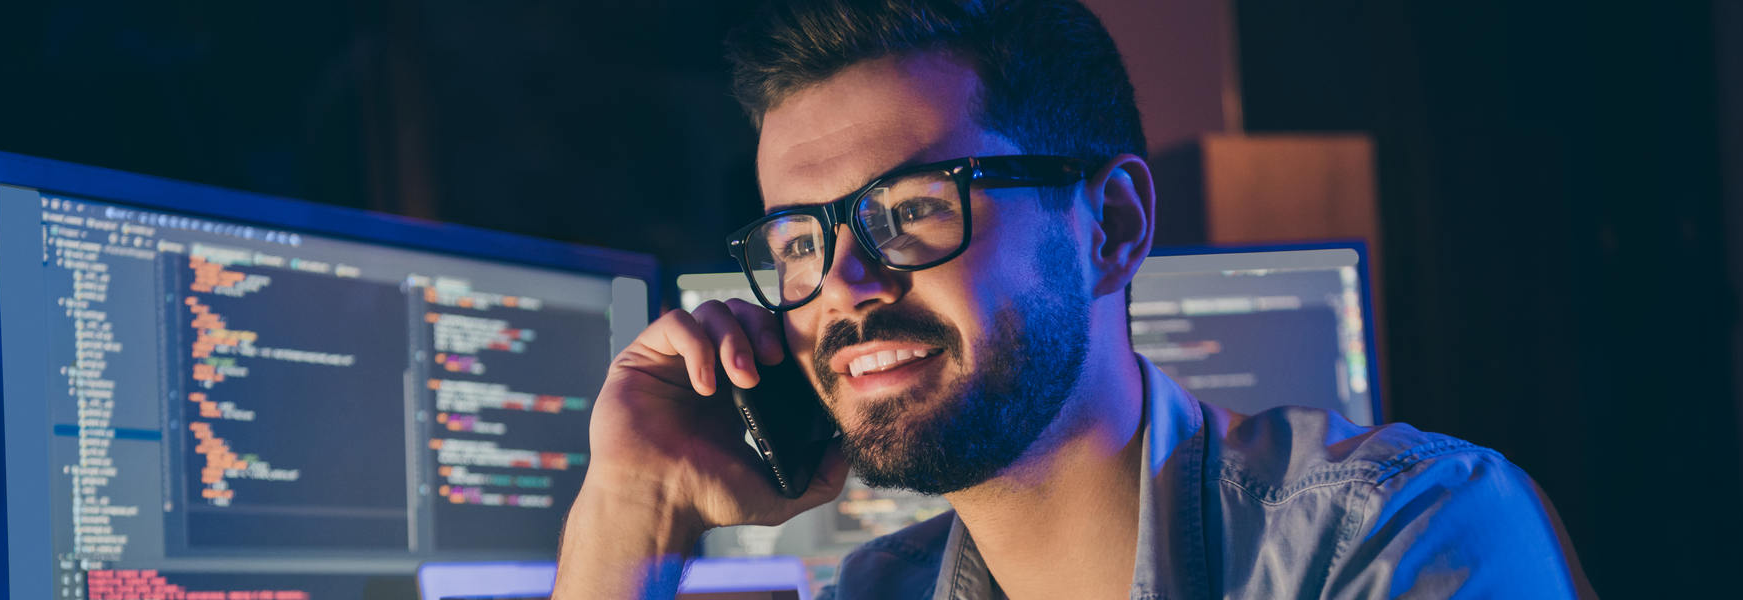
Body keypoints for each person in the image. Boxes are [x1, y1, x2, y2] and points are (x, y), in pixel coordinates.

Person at [555, 1, 1589, 597]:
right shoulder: (877, 595)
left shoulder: (1397, 536)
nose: (843, 287)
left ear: (1111, 227)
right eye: (799, 238)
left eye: (912, 210)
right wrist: (633, 505)